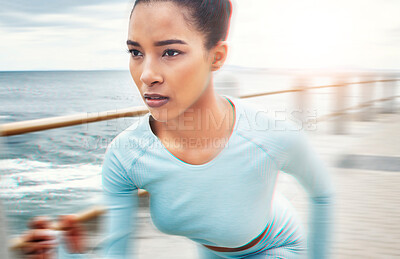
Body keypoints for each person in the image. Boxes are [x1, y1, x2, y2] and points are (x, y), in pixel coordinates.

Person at [20, 0, 334, 258]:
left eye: (170, 52)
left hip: (279, 249)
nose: (147, 75)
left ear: (216, 57)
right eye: (136, 52)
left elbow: (323, 194)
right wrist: (66, 253)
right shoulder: (126, 155)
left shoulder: (269, 133)